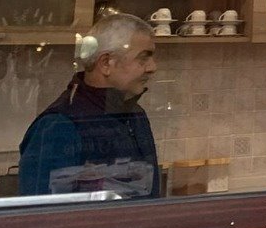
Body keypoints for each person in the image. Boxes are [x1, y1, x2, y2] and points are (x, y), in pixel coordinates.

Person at [19, 13, 160, 199]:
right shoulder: (59, 125)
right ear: (106, 63)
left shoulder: (135, 114)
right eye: (143, 58)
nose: (152, 67)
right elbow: (42, 210)